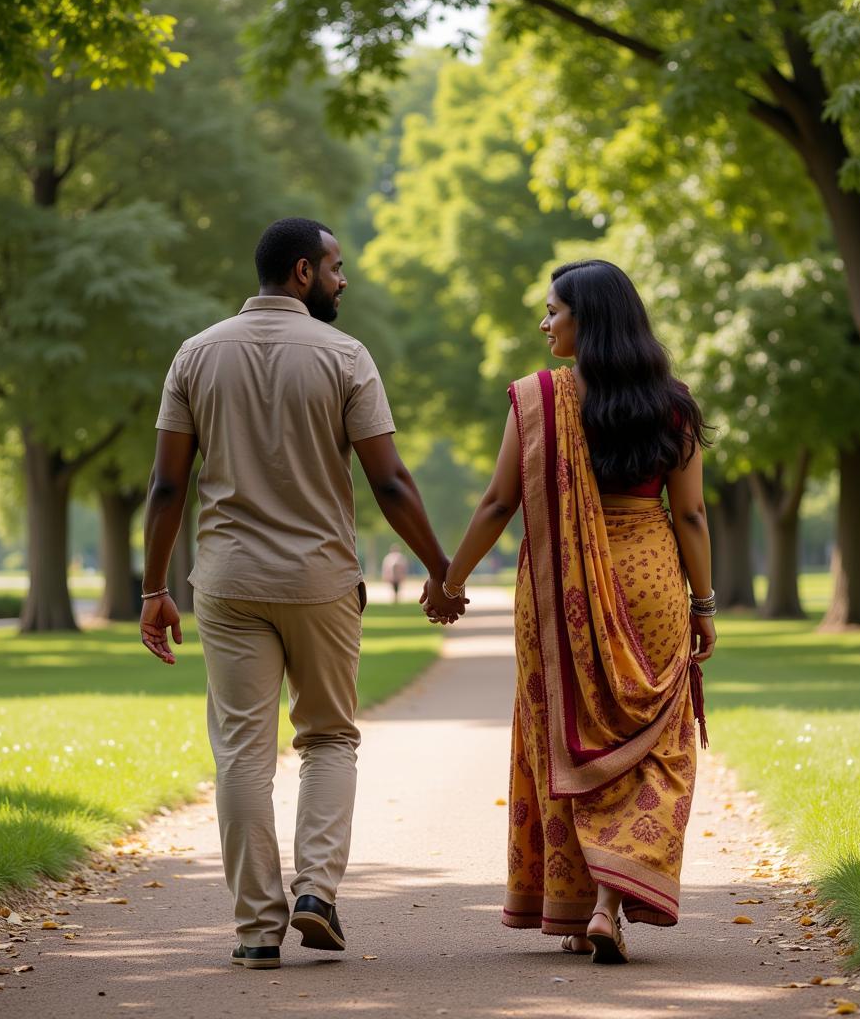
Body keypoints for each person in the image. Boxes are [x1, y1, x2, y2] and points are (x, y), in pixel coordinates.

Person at [139, 217, 465, 971]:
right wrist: (441, 571)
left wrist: (156, 587)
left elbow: (166, 485)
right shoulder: (345, 356)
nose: (343, 279)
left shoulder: (195, 354)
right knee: (328, 737)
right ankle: (316, 892)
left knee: (242, 754)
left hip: (227, 583)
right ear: (301, 273)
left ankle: (257, 927)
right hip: (319, 580)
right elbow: (389, 480)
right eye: (336, 267)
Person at [423, 259, 715, 965]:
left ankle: (580, 899)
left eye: (553, 310)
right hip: (649, 576)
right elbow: (692, 514)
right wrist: (702, 602)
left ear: (587, 319)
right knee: (654, 743)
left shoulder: (538, 399)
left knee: (566, 734)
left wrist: (449, 580)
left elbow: (498, 502)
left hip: (560, 593)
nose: (545, 322)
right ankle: (613, 901)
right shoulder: (671, 404)